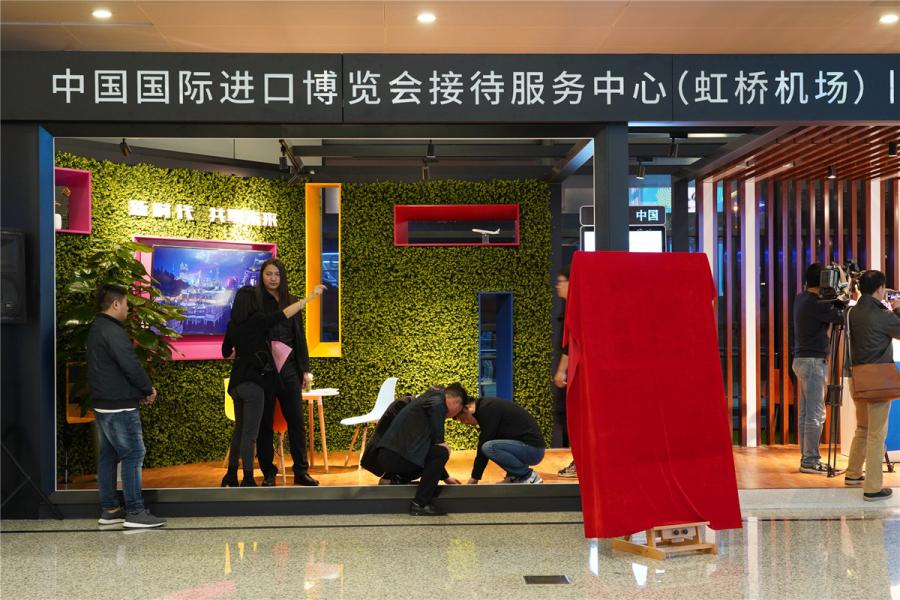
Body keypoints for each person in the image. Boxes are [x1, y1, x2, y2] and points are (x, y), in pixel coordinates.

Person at [221, 285, 324, 487]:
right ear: (253, 303)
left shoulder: (233, 324)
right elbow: (284, 314)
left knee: (240, 431)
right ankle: (249, 478)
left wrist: (242, 353)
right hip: (254, 384)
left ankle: (232, 474)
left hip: (235, 384)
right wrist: (309, 298)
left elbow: (226, 352)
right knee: (251, 434)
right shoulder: (259, 321)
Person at [86, 284, 165, 528]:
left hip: (103, 404)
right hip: (119, 407)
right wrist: (147, 389)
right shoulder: (113, 331)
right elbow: (130, 365)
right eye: (127, 303)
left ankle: (110, 509)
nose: (128, 308)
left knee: (108, 456)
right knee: (133, 454)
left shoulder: (97, 328)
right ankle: (135, 512)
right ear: (116, 304)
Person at [256, 258, 321, 487]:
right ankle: (269, 473)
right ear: (262, 276)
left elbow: (299, 337)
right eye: (268, 274)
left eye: (277, 275)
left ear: (282, 278)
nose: (273, 278)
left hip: (290, 370)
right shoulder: (256, 302)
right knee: (264, 423)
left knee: (296, 421)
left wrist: (304, 369)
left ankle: (301, 472)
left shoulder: (291, 302)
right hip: (265, 371)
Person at [845, 270, 900, 501]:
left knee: (863, 428)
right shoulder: (884, 315)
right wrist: (896, 310)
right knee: (877, 434)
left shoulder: (851, 312)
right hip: (877, 380)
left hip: (856, 377)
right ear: (880, 289)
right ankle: (873, 487)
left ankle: (854, 474)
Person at [375, 384, 467, 516]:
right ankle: (420, 504)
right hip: (395, 456)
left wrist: (446, 477)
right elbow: (435, 447)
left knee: (436, 452)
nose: (451, 417)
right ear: (457, 402)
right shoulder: (438, 401)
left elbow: (427, 450)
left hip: (391, 455)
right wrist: (440, 442)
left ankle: (395, 479)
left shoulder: (428, 399)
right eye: (456, 414)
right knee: (442, 451)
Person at [792, 263, 844, 474]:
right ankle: (810, 460)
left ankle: (807, 457)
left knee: (806, 413)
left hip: (801, 360)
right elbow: (840, 317)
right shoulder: (817, 304)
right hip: (813, 362)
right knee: (816, 414)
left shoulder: (801, 298)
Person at [456, 396, 545, 484]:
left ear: (468, 408)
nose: (465, 423)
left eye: (463, 419)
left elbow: (483, 443)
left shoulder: (487, 409)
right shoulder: (485, 406)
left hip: (533, 450)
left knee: (489, 447)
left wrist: (474, 477)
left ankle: (529, 476)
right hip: (529, 447)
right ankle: (514, 476)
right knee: (492, 444)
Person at [552, 267, 576, 478]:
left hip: (574, 375)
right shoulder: (569, 309)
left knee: (574, 419)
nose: (558, 285)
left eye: (562, 281)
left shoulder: (576, 310)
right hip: (573, 374)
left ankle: (579, 462)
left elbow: (569, 346)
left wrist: (561, 371)